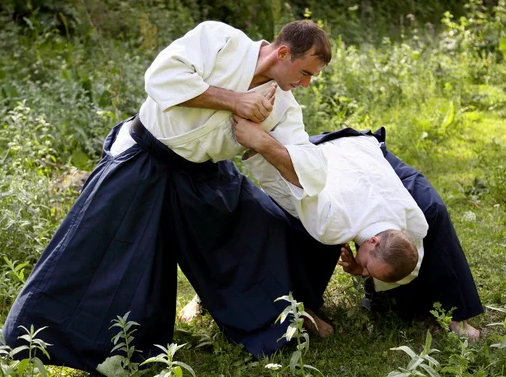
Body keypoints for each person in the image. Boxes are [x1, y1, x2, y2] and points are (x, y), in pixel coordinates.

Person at [2, 20, 332, 372]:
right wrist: (237, 101)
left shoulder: (284, 105)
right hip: (146, 160)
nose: (307, 84)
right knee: (100, 258)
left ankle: (284, 315)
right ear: (283, 52)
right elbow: (161, 76)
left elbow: (310, 169)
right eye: (306, 72)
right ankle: (34, 338)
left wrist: (262, 141)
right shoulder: (221, 40)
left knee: (265, 227)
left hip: (205, 176)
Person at [181, 127, 483, 340]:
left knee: (434, 209)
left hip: (369, 162)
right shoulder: (332, 220)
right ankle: (301, 307)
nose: (362, 271)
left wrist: (361, 266)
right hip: (324, 157)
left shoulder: (414, 222)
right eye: (367, 267)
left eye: (366, 272)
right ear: (374, 240)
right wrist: (262, 145)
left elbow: (405, 259)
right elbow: (295, 186)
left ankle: (452, 314)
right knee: (303, 231)